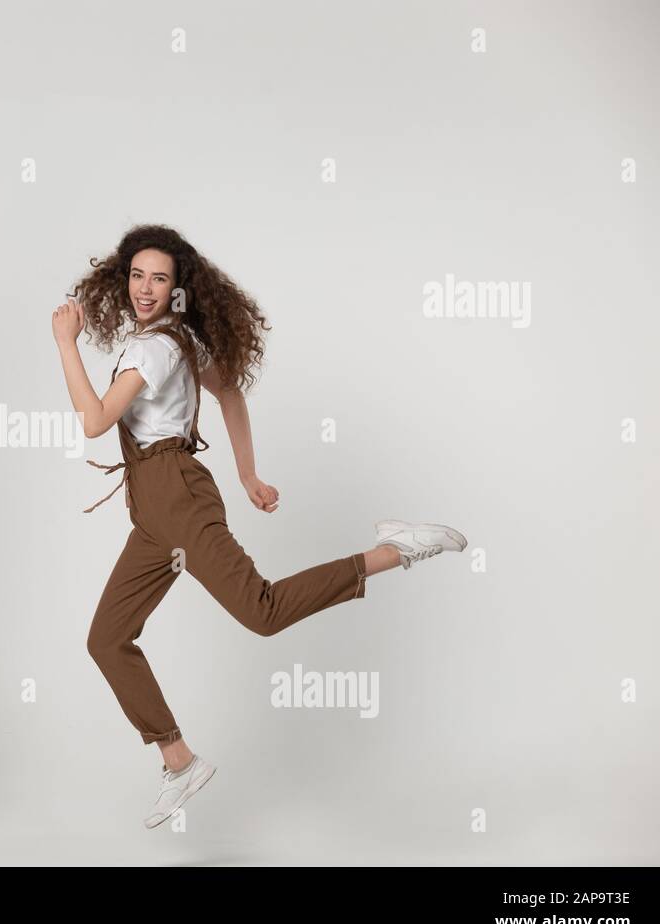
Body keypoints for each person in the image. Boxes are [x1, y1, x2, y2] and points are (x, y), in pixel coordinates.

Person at [52, 224, 467, 828]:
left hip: (173, 497)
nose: (145, 288)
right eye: (137, 275)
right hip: (154, 510)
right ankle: (179, 760)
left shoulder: (154, 348)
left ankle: (392, 551)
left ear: (177, 288)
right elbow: (230, 396)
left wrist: (65, 342)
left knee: (263, 612)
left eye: (159, 278)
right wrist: (248, 475)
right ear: (124, 279)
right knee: (107, 639)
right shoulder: (176, 341)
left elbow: (93, 422)